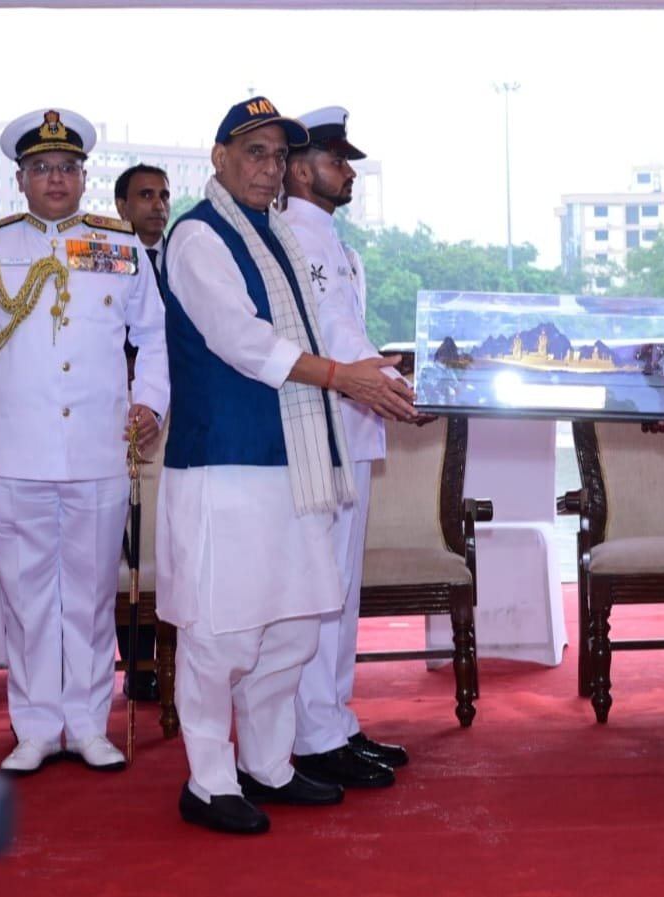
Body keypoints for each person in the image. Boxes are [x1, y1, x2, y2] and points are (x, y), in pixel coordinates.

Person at [157, 96, 418, 835]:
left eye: (277, 156)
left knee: (296, 623)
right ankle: (209, 778)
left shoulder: (280, 236)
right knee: (222, 632)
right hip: (226, 462)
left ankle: (268, 763)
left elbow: (324, 326)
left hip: (298, 461)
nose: (268, 169)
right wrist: (345, 378)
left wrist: (369, 372)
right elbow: (241, 340)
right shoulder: (200, 237)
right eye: (255, 153)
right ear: (219, 158)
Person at [0, 108, 169, 776]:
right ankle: (36, 726)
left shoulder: (120, 244)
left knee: (92, 594)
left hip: (100, 450)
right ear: (20, 179)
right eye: (42, 168)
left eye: (67, 168)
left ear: (83, 177)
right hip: (15, 453)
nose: (56, 179)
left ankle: (88, 723)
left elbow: (153, 337)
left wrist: (149, 402)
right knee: (27, 593)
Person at [281, 106, 408, 789]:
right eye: (337, 159)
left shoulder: (330, 238)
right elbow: (331, 337)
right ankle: (312, 734)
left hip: (349, 426)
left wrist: (391, 380)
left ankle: (334, 718)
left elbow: (346, 329)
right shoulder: (294, 237)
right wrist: (389, 381)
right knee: (320, 589)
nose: (349, 170)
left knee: (342, 591)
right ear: (301, 169)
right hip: (320, 427)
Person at [113, 163, 173, 703]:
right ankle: (138, 661)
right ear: (122, 207)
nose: (157, 205)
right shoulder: (106, 263)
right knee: (129, 536)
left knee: (168, 534)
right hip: (123, 419)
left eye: (163, 195)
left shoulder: (186, 260)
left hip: (180, 418)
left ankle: (178, 655)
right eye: (145, 195)